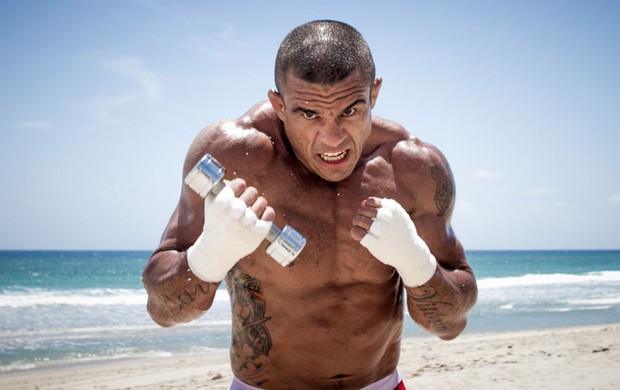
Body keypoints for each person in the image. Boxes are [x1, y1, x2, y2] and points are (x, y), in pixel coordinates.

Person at [143, 20, 477, 390]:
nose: (332, 138)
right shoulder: (228, 157)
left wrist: (416, 262)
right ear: (278, 104)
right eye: (308, 113)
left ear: (374, 94)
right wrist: (209, 255)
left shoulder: (413, 168)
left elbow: (451, 324)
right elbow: (162, 311)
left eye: (350, 111)